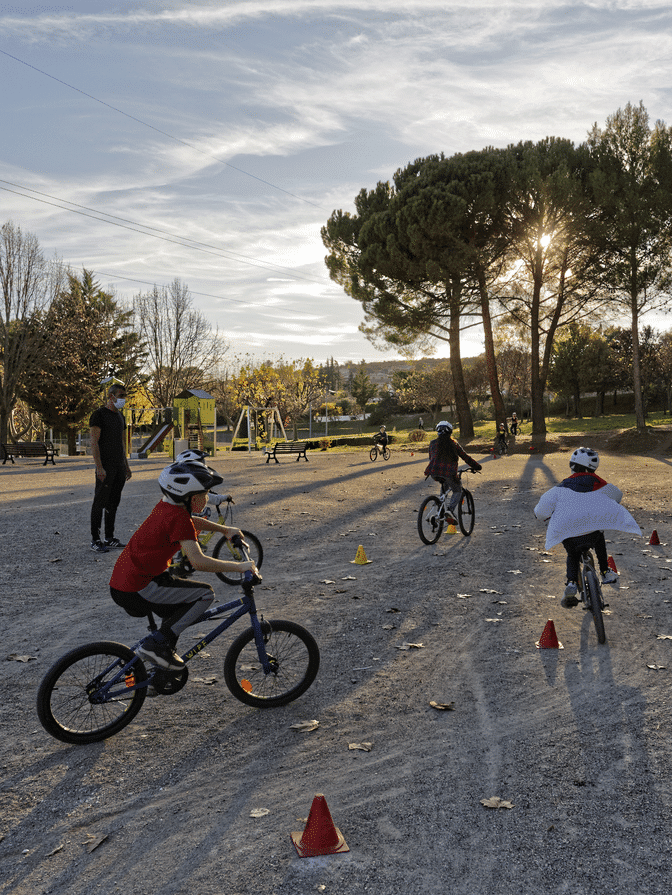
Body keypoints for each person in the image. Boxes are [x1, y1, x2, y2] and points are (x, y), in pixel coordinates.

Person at [109, 461, 259, 670]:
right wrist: (241, 567)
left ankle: (157, 667)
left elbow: (191, 523)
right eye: (204, 493)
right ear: (190, 497)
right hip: (140, 586)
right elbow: (198, 561)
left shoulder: (168, 508)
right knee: (204, 594)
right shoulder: (178, 517)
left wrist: (224, 530)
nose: (207, 498)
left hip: (127, 581)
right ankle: (156, 647)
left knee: (178, 606)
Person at [534, 447, 640, 608]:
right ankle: (605, 572)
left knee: (572, 554)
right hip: (591, 533)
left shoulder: (561, 487)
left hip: (569, 532)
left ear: (572, 465)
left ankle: (571, 582)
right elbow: (617, 496)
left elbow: (541, 512)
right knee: (598, 535)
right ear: (593, 468)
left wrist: (543, 516)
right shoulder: (601, 484)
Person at [89, 384, 132, 553]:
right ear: (111, 396)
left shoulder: (120, 416)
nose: (123, 399)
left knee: (113, 503)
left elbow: (122, 444)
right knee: (99, 503)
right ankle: (95, 540)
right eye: (120, 395)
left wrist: (126, 466)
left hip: (119, 467)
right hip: (105, 467)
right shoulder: (99, 415)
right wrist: (99, 467)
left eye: (124, 396)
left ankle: (109, 537)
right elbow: (94, 442)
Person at [424, 421, 482, 522]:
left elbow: (431, 457)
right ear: (450, 432)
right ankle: (449, 511)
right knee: (457, 490)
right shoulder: (454, 444)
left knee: (444, 486)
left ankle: (440, 509)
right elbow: (465, 457)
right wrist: (477, 466)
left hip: (433, 472)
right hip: (449, 473)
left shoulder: (432, 443)